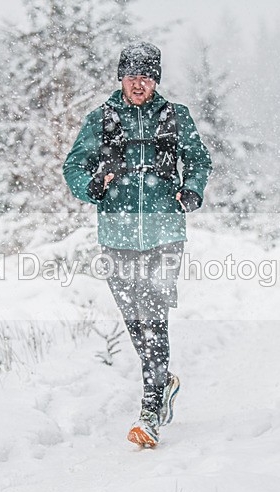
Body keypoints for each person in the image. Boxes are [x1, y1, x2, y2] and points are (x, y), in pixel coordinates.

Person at [63, 41, 212, 447]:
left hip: (165, 231)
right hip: (118, 233)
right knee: (134, 315)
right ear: (121, 78)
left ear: (156, 79)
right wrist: (93, 185)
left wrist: (192, 190)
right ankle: (162, 380)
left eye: (146, 76)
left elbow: (199, 160)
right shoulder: (102, 119)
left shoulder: (176, 117)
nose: (138, 83)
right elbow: (73, 166)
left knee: (153, 309)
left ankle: (149, 409)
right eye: (132, 76)